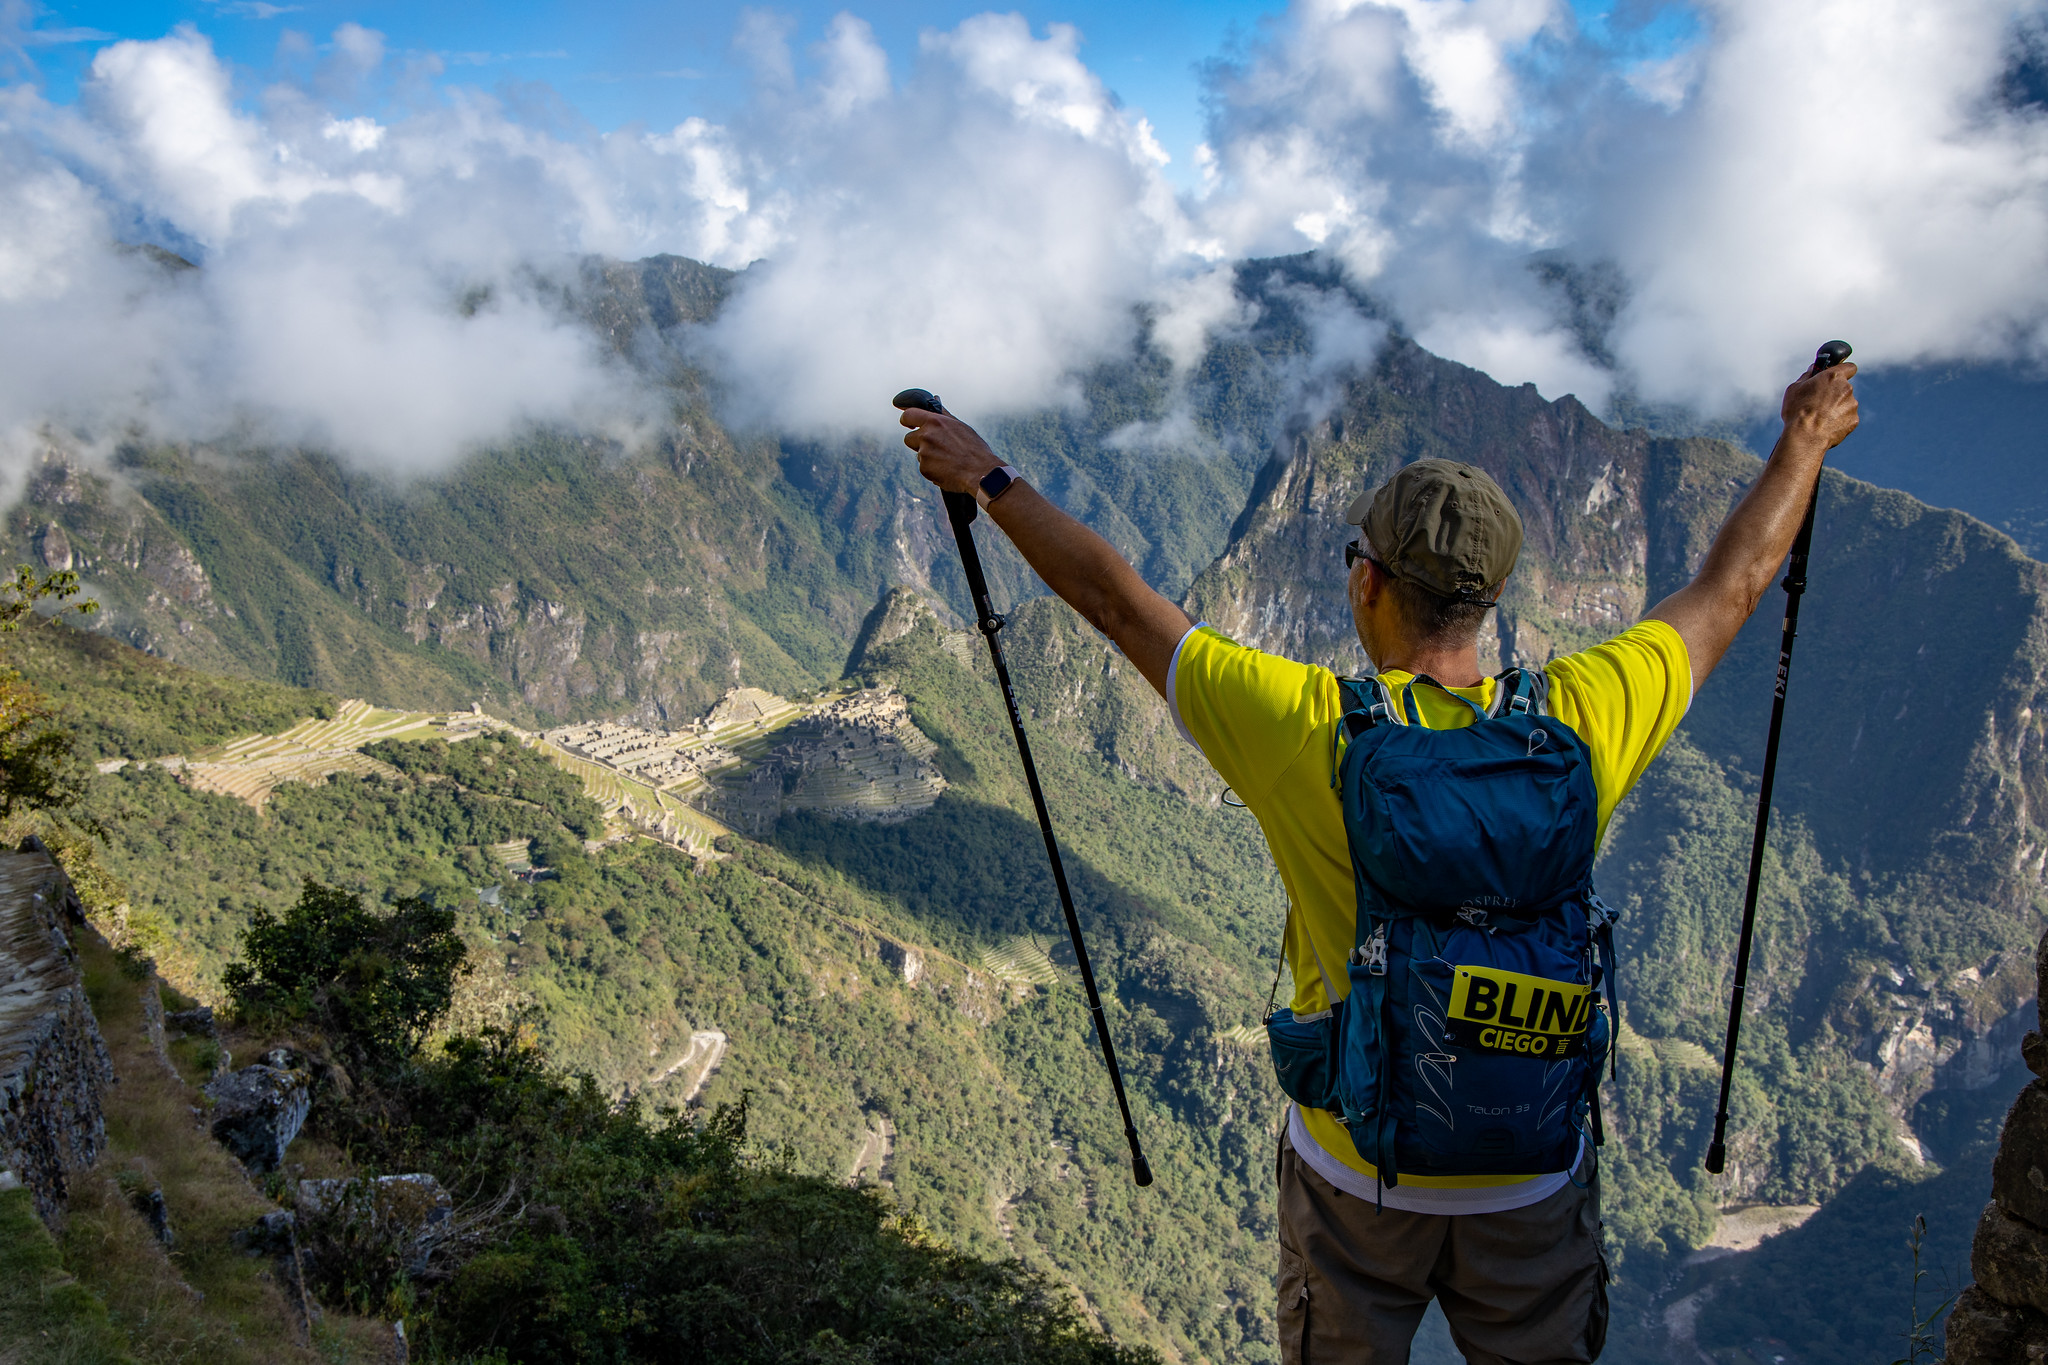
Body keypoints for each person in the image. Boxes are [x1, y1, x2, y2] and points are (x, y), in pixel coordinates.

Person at [898, 356, 1858, 1364]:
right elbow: (1732, 587)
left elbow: (1114, 601)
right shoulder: (1581, 721)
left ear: (1367, 582)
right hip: (1530, 1173)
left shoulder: (1305, 727)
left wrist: (989, 478)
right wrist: (1803, 437)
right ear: (1495, 596)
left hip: (1356, 1175)